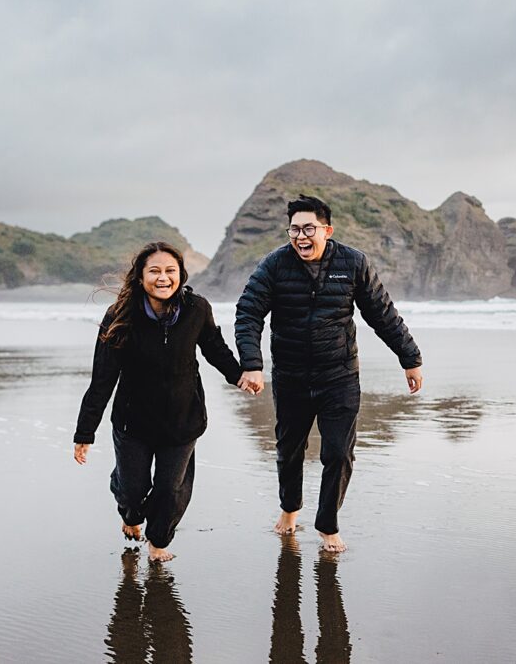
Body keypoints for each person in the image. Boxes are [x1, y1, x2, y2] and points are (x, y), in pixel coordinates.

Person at [235, 195, 423, 553]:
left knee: (338, 452)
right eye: (294, 229)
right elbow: (248, 313)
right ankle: (290, 508)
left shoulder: (353, 263)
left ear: (327, 230)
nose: (301, 236)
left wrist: (409, 357)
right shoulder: (274, 265)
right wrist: (252, 364)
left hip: (339, 375)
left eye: (309, 228)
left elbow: (382, 314)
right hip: (291, 376)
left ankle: (327, 525)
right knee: (290, 449)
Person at [73, 241, 252, 562]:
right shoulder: (120, 316)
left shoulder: (197, 309)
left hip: (183, 420)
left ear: (181, 275)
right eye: (154, 271)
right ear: (140, 277)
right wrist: (84, 432)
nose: (163, 278)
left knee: (171, 490)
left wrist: (239, 375)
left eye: (170, 271)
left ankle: (158, 542)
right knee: (131, 490)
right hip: (133, 423)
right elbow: (102, 379)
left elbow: (215, 348)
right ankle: (129, 515)